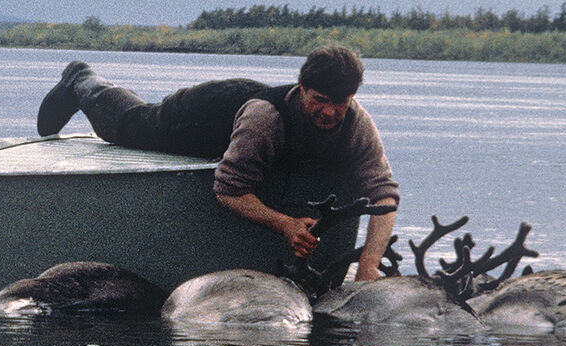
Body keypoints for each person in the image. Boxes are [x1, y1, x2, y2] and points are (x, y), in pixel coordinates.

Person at [36, 45, 399, 281]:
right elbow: (228, 190)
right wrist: (285, 224)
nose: (330, 112)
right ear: (302, 88)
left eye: (340, 102)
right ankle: (81, 79)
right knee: (131, 125)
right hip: (209, 113)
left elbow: (384, 194)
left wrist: (368, 264)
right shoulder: (266, 120)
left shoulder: (356, 121)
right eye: (320, 100)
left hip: (251, 116)